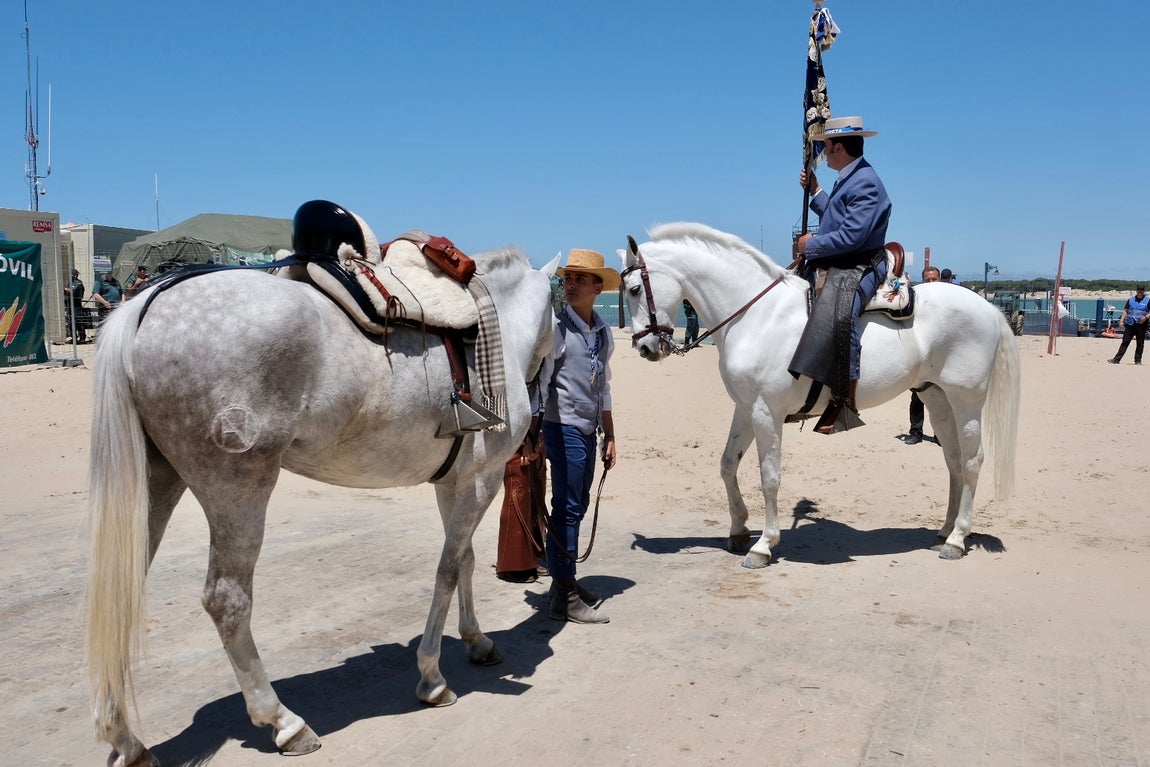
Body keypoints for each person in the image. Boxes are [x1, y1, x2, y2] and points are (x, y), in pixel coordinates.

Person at [791, 115, 892, 434]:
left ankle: (844, 400)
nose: (822, 152)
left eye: (824, 147)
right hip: (845, 259)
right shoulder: (850, 176)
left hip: (861, 262)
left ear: (837, 147)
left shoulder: (865, 181)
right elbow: (836, 215)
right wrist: (816, 190)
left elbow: (852, 237)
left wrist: (811, 245)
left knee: (842, 315)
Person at [536, 248, 620, 624]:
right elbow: (540, 382)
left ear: (598, 287)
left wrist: (611, 434)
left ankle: (562, 585)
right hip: (561, 424)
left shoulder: (603, 333)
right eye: (567, 278)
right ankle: (565, 593)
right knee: (567, 507)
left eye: (580, 279)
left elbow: (603, 387)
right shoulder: (556, 330)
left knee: (578, 504)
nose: (570, 284)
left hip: (588, 427)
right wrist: (533, 430)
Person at [904, 266, 942, 445]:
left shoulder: (947, 300)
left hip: (941, 357)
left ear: (940, 279)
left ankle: (940, 434)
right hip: (922, 356)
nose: (931, 283)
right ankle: (916, 432)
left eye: (934, 279)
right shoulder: (917, 300)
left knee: (943, 399)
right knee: (917, 397)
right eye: (928, 280)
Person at [1108, 284, 1149, 366]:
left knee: (1140, 343)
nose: (1140, 292)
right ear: (1136, 290)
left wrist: (1145, 317)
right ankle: (1116, 359)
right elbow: (1126, 311)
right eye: (1138, 290)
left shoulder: (1148, 300)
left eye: (1141, 290)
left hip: (1141, 324)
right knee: (1125, 342)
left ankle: (1137, 360)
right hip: (1130, 324)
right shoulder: (1131, 299)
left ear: (1144, 291)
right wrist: (1121, 321)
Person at [63, 268, 87, 343]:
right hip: (69, 305)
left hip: (76, 305)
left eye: (73, 275)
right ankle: (74, 338)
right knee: (71, 322)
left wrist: (65, 289)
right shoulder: (69, 282)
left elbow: (72, 290)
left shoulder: (78, 282)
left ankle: (82, 338)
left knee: (78, 321)